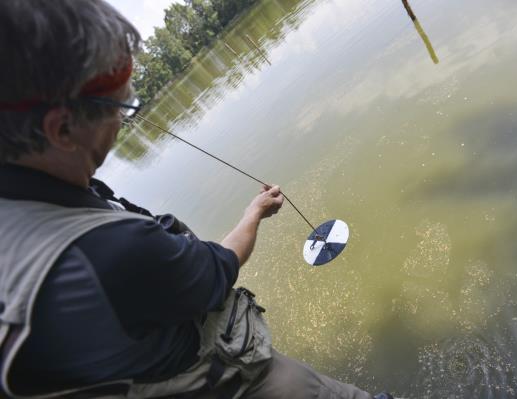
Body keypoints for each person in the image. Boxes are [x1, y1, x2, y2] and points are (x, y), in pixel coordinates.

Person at [0, 1, 396, 398]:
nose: (124, 121)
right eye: (123, 108)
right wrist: (254, 213)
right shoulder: (110, 252)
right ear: (62, 129)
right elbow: (219, 268)